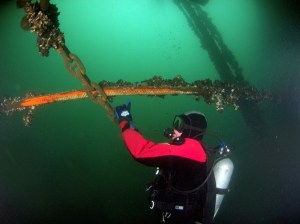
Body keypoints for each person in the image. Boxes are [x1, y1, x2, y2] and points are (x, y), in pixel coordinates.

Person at [115, 102, 215, 224]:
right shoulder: (194, 150)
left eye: (179, 125)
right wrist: (131, 125)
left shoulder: (192, 150)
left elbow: (142, 151)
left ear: (190, 130)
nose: (174, 128)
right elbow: (152, 149)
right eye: (176, 123)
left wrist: (124, 122)